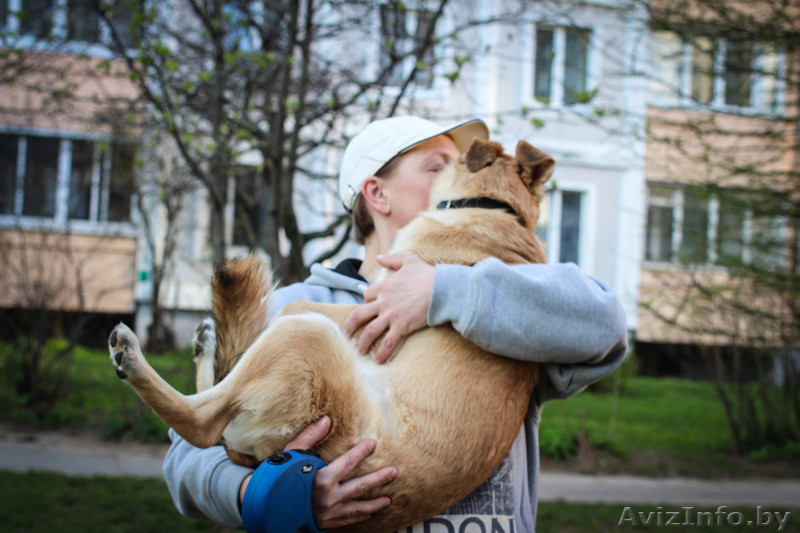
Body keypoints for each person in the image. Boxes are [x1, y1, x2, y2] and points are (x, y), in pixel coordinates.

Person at [163, 116, 628, 531]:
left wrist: (445, 291)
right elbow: (188, 455)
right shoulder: (301, 305)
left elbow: (605, 327)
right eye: (439, 165)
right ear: (377, 194)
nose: (465, 172)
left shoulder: (504, 298)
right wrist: (269, 496)